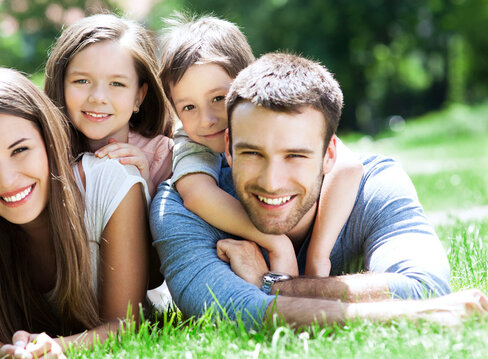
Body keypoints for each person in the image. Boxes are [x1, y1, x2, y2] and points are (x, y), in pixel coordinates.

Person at [151, 52, 488, 328]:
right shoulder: (179, 207)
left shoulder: (375, 184)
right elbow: (234, 311)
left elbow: (425, 285)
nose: (272, 181)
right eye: (252, 153)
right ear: (228, 147)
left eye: (295, 155)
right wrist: (409, 313)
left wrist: (274, 285)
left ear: (330, 154)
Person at [0, 67, 150, 359]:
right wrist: (1, 356)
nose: (8, 179)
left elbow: (127, 324)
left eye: (20, 150)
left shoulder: (111, 184)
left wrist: (56, 347)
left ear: (48, 137)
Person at [158, 14, 363, 277]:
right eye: (189, 107)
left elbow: (347, 166)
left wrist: (318, 255)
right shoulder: (189, 143)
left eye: (218, 98)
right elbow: (197, 195)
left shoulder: (272, 115)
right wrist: (276, 243)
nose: (207, 120)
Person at [45, 13, 174, 199]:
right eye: (82, 81)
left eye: (116, 84)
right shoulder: (41, 152)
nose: (98, 98)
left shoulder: (161, 156)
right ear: (60, 84)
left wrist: (145, 182)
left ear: (139, 95)